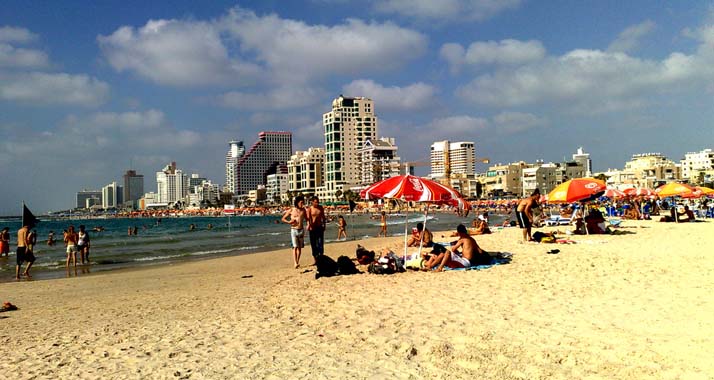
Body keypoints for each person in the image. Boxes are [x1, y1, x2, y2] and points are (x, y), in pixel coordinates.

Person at [425, 224, 490, 272]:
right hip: (467, 261)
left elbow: (453, 249)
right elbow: (480, 251)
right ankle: (430, 266)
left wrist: (457, 250)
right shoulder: (471, 239)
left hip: (465, 262)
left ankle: (439, 268)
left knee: (447, 252)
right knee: (442, 254)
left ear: (459, 233)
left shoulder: (462, 239)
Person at [281, 196, 307, 268]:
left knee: (300, 247)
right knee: (295, 247)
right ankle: (295, 262)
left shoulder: (303, 210)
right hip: (294, 230)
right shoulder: (292, 210)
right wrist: (289, 222)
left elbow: (307, 219)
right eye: (301, 202)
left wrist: (308, 225)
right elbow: (283, 218)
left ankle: (297, 261)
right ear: (297, 202)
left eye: (303, 202)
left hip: (301, 230)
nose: (302, 204)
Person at [306, 196, 326, 262]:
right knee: (313, 244)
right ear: (312, 202)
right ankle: (315, 259)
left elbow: (323, 217)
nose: (317, 203)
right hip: (313, 228)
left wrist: (324, 225)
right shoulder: (310, 209)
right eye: (315, 202)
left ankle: (321, 257)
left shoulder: (320, 208)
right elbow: (308, 219)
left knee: (320, 243)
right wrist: (308, 225)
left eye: (317, 202)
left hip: (319, 227)